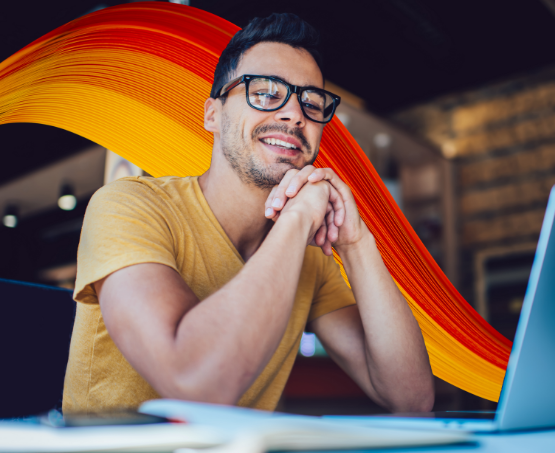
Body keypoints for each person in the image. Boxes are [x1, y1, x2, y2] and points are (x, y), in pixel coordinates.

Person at [63, 12, 434, 413]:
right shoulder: (129, 206)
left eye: (310, 102)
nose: (295, 115)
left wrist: (357, 241)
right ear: (213, 115)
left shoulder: (313, 257)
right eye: (266, 92)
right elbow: (194, 382)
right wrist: (297, 219)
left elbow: (410, 397)